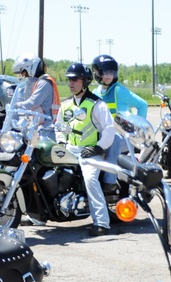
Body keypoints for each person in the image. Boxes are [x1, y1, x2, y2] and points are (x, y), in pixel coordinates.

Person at [59, 62, 117, 236]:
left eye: (75, 80)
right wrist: (61, 143)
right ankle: (38, 216)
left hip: (90, 151)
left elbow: (109, 129)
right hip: (69, 149)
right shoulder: (65, 105)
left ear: (84, 81)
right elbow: (59, 127)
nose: (70, 83)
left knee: (90, 179)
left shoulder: (97, 104)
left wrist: (98, 148)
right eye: (69, 79)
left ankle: (102, 223)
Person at [90, 54, 148, 186]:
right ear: (97, 73)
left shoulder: (119, 91)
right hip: (103, 134)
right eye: (105, 72)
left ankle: (109, 181)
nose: (108, 76)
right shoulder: (96, 92)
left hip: (122, 137)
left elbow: (142, 105)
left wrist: (136, 131)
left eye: (111, 72)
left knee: (113, 139)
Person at [11, 55, 60, 122]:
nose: (23, 75)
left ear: (31, 68)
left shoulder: (44, 83)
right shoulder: (39, 82)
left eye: (23, 72)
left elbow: (33, 101)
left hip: (50, 125)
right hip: (43, 122)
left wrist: (17, 105)